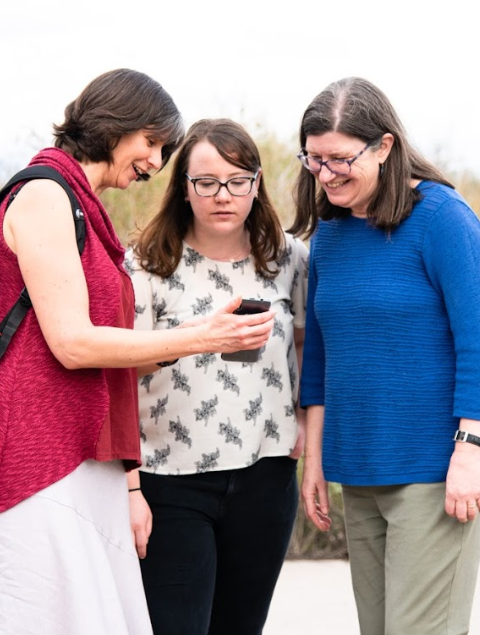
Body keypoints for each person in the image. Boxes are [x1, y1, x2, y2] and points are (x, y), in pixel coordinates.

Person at [0, 71, 275, 635]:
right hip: (34, 457)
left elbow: (104, 355)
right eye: (151, 142)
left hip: (79, 454)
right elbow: (73, 344)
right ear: (115, 122)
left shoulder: (81, 203)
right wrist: (202, 337)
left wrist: (195, 338)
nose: (154, 161)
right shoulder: (46, 194)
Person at [291, 78, 480, 635]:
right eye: (314, 159)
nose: (326, 172)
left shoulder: (441, 219)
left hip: (436, 472)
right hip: (360, 470)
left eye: (340, 158)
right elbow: (318, 357)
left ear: (384, 147)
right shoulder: (331, 234)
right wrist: (314, 460)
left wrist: (469, 450)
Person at [125, 118, 309, 635]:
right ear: (183, 188)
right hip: (170, 479)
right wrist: (130, 486)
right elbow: (121, 369)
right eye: (206, 182)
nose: (222, 195)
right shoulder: (145, 264)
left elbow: (304, 343)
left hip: (265, 478)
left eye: (237, 181)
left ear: (257, 184)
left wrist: (301, 419)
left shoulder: (288, 258)